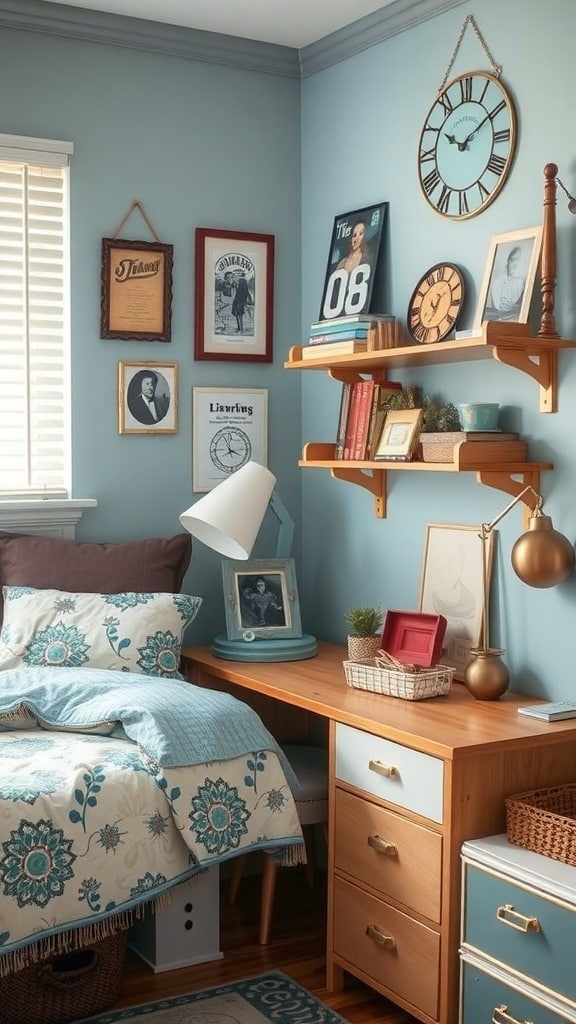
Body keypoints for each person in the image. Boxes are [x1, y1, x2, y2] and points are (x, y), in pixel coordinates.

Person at [485, 245, 526, 321]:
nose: (515, 264)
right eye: (513, 260)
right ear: (508, 261)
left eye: (518, 261)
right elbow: (497, 306)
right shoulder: (497, 281)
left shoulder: (520, 282)